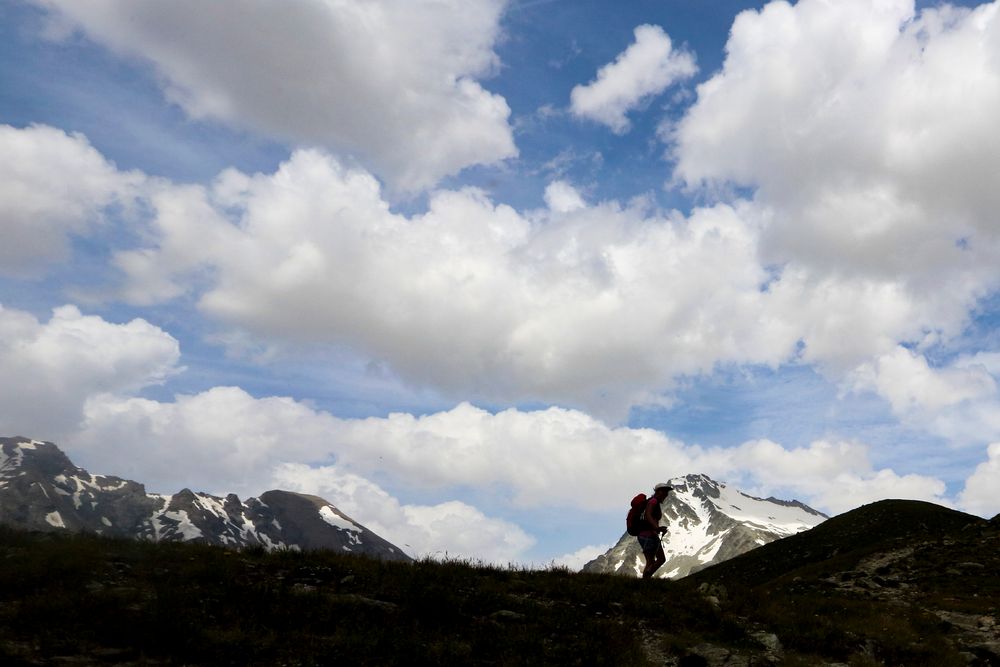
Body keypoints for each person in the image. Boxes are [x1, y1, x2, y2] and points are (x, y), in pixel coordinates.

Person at [638, 482, 672, 579]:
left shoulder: (653, 501)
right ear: (658, 492)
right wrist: (657, 528)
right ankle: (645, 581)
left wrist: (658, 529)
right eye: (664, 492)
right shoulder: (653, 502)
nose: (666, 495)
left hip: (647, 534)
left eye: (667, 492)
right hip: (648, 534)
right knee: (657, 560)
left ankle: (646, 580)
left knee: (653, 560)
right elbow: (648, 515)